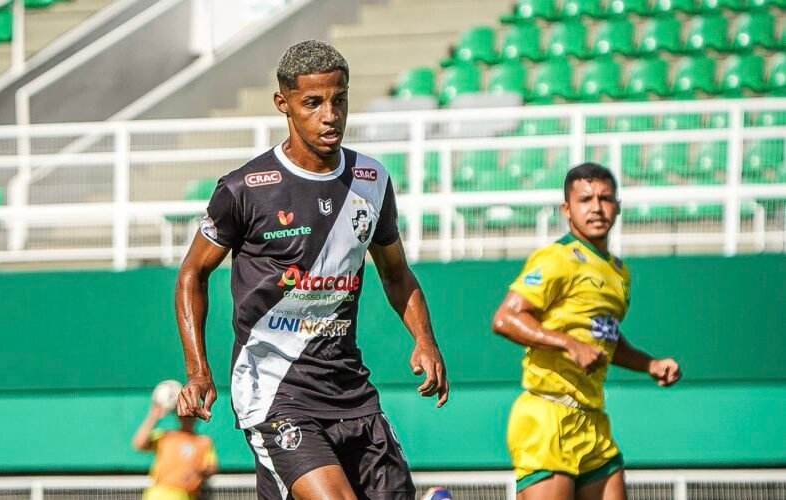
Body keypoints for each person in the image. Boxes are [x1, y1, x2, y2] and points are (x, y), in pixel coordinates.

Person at [174, 39, 449, 500]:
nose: (330, 115)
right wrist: (198, 371)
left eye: (339, 100)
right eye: (313, 103)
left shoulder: (371, 180)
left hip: (350, 389)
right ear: (283, 103)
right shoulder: (245, 189)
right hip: (274, 391)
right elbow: (191, 274)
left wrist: (425, 340)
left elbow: (396, 273)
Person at [491, 163, 682, 500]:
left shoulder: (619, 272)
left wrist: (649, 364)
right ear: (567, 209)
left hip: (593, 422)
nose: (596, 207)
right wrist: (568, 344)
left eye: (605, 198)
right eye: (585, 199)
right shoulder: (556, 258)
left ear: (617, 207)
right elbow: (505, 318)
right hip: (548, 417)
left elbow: (604, 338)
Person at [132, 398, 217, 500]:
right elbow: (139, 444)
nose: (187, 417)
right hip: (160, 494)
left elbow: (211, 467)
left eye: (192, 413)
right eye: (184, 413)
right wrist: (153, 417)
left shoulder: (203, 442)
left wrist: (197, 471)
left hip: (188, 495)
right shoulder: (166, 436)